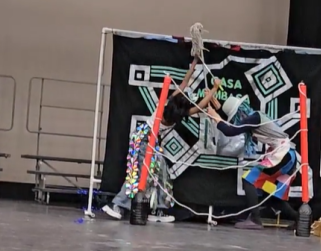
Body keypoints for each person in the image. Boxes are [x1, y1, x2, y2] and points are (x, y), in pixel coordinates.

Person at [102, 58, 220, 222]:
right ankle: (117, 205)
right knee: (137, 175)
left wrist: (193, 67)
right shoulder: (171, 109)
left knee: (163, 174)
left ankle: (159, 210)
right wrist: (214, 88)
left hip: (153, 143)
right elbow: (200, 105)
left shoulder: (168, 102)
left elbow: (185, 85)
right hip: (143, 138)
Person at [207, 95, 299, 230]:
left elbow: (231, 130)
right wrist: (219, 110)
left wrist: (215, 116)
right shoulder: (254, 117)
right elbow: (235, 126)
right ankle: (300, 219)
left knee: (249, 180)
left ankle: (255, 220)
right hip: (288, 156)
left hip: (282, 155)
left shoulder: (255, 118)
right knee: (270, 194)